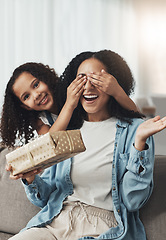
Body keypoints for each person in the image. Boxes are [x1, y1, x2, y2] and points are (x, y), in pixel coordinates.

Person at [5, 50, 166, 240]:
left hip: (104, 228)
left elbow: (132, 202)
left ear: (113, 82)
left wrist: (139, 142)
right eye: (82, 79)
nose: (88, 87)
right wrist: (31, 179)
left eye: (97, 79)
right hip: (56, 221)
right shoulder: (63, 130)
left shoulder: (136, 130)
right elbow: (46, 196)